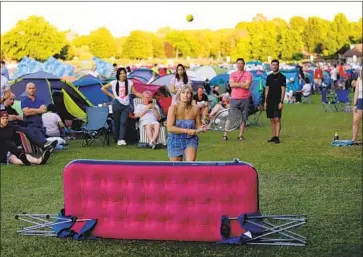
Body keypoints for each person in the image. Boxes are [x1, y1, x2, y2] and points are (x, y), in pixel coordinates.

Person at [101, 67, 143, 146]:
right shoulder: (113, 82)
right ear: (118, 75)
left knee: (123, 122)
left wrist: (144, 97)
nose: (123, 75)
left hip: (126, 105)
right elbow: (103, 88)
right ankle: (117, 137)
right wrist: (112, 95)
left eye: (124, 73)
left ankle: (121, 139)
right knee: (116, 123)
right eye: (121, 73)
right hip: (116, 104)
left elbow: (136, 93)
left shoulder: (130, 83)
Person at [167, 85, 205, 161]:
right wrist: (188, 131)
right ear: (179, 95)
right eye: (183, 92)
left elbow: (198, 125)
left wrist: (202, 128)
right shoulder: (173, 108)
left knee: (190, 165)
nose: (186, 95)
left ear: (191, 95)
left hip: (190, 139)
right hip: (175, 139)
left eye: (188, 93)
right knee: (176, 168)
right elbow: (170, 128)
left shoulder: (196, 109)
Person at [226, 58, 252, 141]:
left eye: (241, 63)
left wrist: (236, 84)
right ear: (236, 64)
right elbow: (231, 84)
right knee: (230, 117)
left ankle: (240, 135)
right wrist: (242, 84)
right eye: (238, 63)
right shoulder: (232, 74)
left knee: (243, 118)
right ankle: (225, 134)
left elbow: (247, 86)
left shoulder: (248, 74)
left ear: (244, 64)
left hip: (245, 98)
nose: (240, 65)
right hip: (234, 98)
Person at [264, 59, 286, 144]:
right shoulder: (268, 77)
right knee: (272, 119)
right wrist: (265, 101)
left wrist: (281, 101)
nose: (274, 66)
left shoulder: (282, 77)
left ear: (278, 66)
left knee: (277, 119)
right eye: (273, 65)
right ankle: (273, 136)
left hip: (277, 101)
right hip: (269, 100)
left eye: (276, 65)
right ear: (271, 66)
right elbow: (267, 89)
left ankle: (277, 137)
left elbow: (283, 90)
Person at [352, 69, 362, 144]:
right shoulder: (359, 78)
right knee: (355, 121)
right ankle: (354, 139)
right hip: (360, 100)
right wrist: (355, 104)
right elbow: (356, 92)